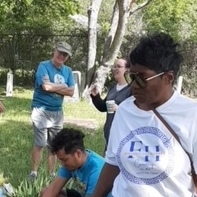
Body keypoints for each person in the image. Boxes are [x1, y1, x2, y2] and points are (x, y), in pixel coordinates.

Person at [92, 32, 197, 197]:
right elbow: (113, 162)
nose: (134, 85)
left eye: (141, 78)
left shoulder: (191, 115)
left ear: (168, 77)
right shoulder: (125, 111)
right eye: (131, 77)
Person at [29, 41, 75, 180]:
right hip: (41, 110)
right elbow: (46, 87)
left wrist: (54, 86)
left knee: (54, 146)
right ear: (54, 51)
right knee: (40, 143)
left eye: (65, 54)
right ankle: (34, 173)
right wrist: (63, 87)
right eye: (60, 52)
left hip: (57, 113)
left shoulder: (68, 71)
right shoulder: (43, 66)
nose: (62, 56)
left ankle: (51, 174)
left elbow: (72, 91)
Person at [40, 128, 110, 197]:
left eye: (64, 160)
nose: (62, 164)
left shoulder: (96, 171)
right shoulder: (71, 164)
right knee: (45, 191)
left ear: (78, 154)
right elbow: (53, 189)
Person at [90, 58, 131, 151]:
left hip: (124, 135)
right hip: (109, 133)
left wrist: (120, 109)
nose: (115, 69)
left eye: (119, 66)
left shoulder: (132, 89)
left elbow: (136, 111)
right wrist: (95, 96)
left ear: (127, 70)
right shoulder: (112, 87)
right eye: (114, 66)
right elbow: (103, 107)